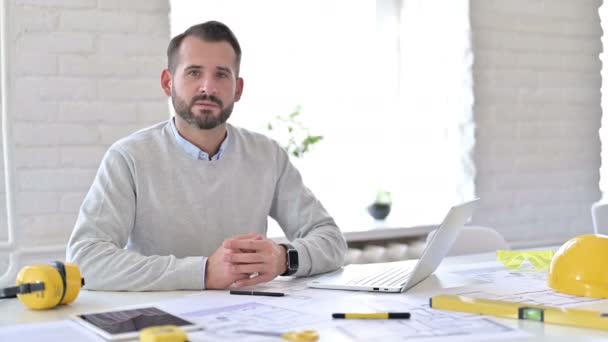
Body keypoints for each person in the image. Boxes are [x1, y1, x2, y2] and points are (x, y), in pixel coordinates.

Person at [66, 21, 347, 291]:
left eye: (221, 75)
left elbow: (331, 240)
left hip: (247, 316)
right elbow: (85, 259)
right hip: (160, 325)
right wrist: (203, 272)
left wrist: (285, 258)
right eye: (194, 73)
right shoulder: (128, 158)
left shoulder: (267, 155)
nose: (208, 88)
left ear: (238, 89)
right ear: (167, 83)